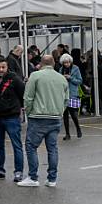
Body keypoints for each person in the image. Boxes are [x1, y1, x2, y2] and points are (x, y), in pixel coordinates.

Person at [18, 56, 67, 188]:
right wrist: (60, 111)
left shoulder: (35, 76)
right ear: (54, 63)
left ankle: (33, 177)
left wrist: (28, 113)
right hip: (55, 117)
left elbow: (28, 97)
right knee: (52, 148)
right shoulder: (61, 78)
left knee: (31, 146)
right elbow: (66, 99)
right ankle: (52, 179)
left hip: (38, 117)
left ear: (40, 64)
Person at [0, 57, 25, 182]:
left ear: (7, 67)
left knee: (17, 145)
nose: (1, 70)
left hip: (11, 117)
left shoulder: (14, 79)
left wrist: (20, 109)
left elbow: (23, 94)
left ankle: (18, 172)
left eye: (3, 67)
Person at [59, 54, 83, 140]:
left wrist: (70, 78)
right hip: (64, 94)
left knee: (73, 114)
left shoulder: (75, 68)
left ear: (70, 61)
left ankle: (78, 128)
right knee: (65, 115)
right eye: (65, 63)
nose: (66, 64)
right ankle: (67, 134)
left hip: (72, 93)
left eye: (68, 62)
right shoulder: (61, 69)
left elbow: (80, 81)